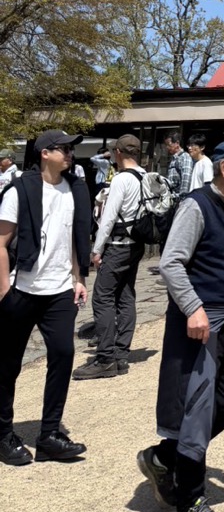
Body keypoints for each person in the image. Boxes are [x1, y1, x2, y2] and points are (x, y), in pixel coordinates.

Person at [138, 137, 224, 512]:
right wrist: (193, 308)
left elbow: (221, 253)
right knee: (196, 412)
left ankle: (164, 458)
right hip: (199, 322)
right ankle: (189, 503)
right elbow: (172, 263)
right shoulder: (196, 205)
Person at [0, 130, 91, 466]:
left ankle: (49, 435)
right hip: (22, 289)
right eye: (63, 149)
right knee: (7, 365)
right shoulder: (20, 190)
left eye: (71, 149)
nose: (69, 154)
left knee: (64, 354)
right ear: (44, 153)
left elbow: (73, 237)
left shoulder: (75, 189)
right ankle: (3, 434)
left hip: (59, 290)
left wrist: (78, 278)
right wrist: (4, 292)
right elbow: (1, 243)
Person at [73, 134, 146, 381]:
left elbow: (108, 218)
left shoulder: (121, 179)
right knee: (126, 295)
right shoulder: (146, 176)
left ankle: (105, 358)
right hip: (137, 245)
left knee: (103, 298)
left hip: (117, 245)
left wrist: (96, 250)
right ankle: (121, 353)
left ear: (117, 153)